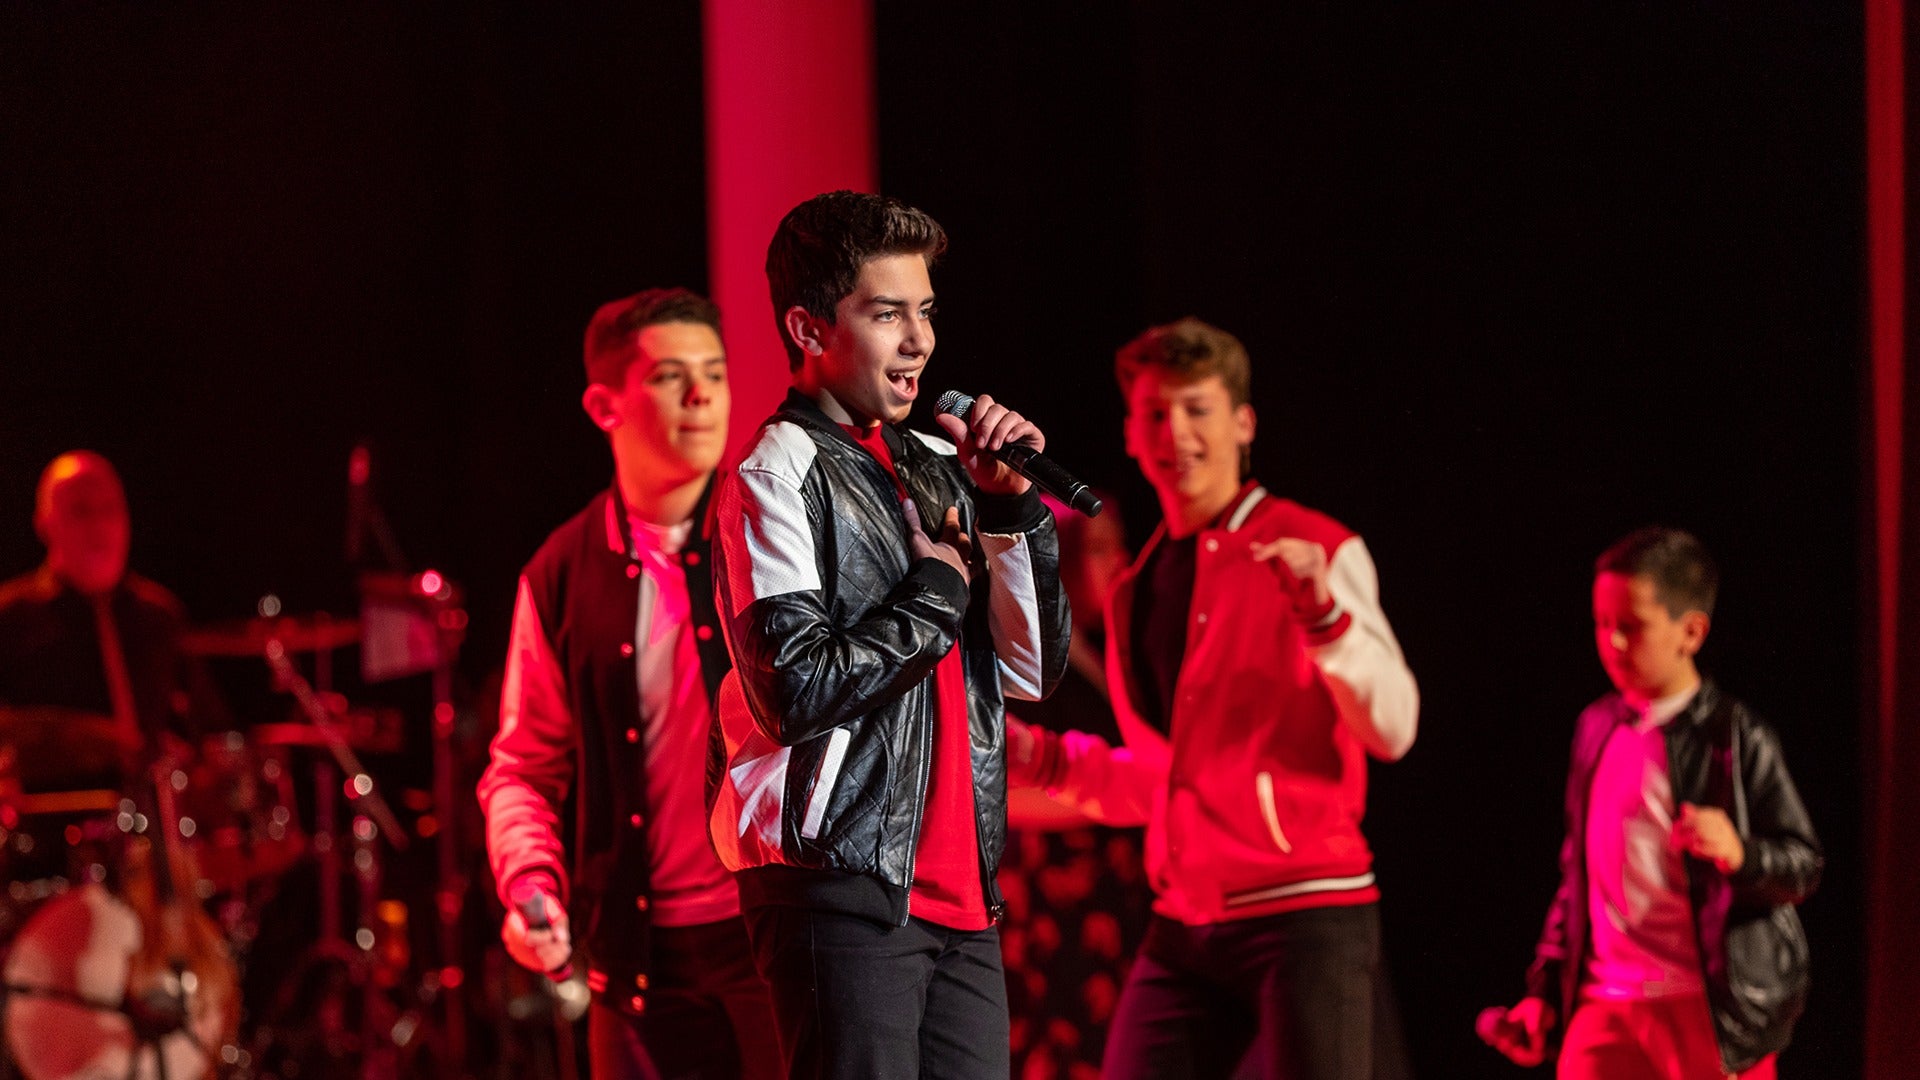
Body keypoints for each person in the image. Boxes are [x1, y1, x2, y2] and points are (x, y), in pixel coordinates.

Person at [705, 190, 1071, 1080]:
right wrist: (936, 595)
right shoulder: (772, 473)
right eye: (887, 314)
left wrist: (1012, 508)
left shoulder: (941, 465)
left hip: (961, 898)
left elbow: (1028, 673)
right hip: (840, 885)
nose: (920, 342)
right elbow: (795, 689)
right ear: (807, 328)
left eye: (926, 312)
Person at [1009, 317, 1419, 1080]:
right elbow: (1159, 782)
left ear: (1243, 422)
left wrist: (1323, 618)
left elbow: (1394, 728)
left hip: (1306, 909)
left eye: (1197, 408)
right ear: (1131, 434)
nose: (1177, 433)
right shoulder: (1134, 592)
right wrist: (1036, 758)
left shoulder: (1317, 547)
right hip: (1190, 917)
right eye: (1156, 413)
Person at [477, 287, 778, 1079]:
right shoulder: (561, 574)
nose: (703, 394)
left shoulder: (776, 534)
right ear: (605, 406)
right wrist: (530, 887)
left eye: (714, 371)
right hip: (638, 960)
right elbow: (522, 768)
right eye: (670, 376)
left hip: (777, 940)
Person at [1483, 527, 1821, 1080]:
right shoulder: (1596, 728)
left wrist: (1740, 853)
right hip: (1604, 1002)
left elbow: (1803, 865)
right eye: (1602, 624)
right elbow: (1577, 875)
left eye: (1631, 626)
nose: (1611, 642)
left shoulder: (1734, 735)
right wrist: (1544, 990)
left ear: (1690, 631)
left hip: (1703, 1007)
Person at [0, 451, 217, 779]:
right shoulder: (11, 617)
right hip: (48, 815)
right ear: (44, 523)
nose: (100, 526)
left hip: (153, 816)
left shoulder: (160, 616)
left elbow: (209, 729)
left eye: (110, 509)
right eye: (81, 511)